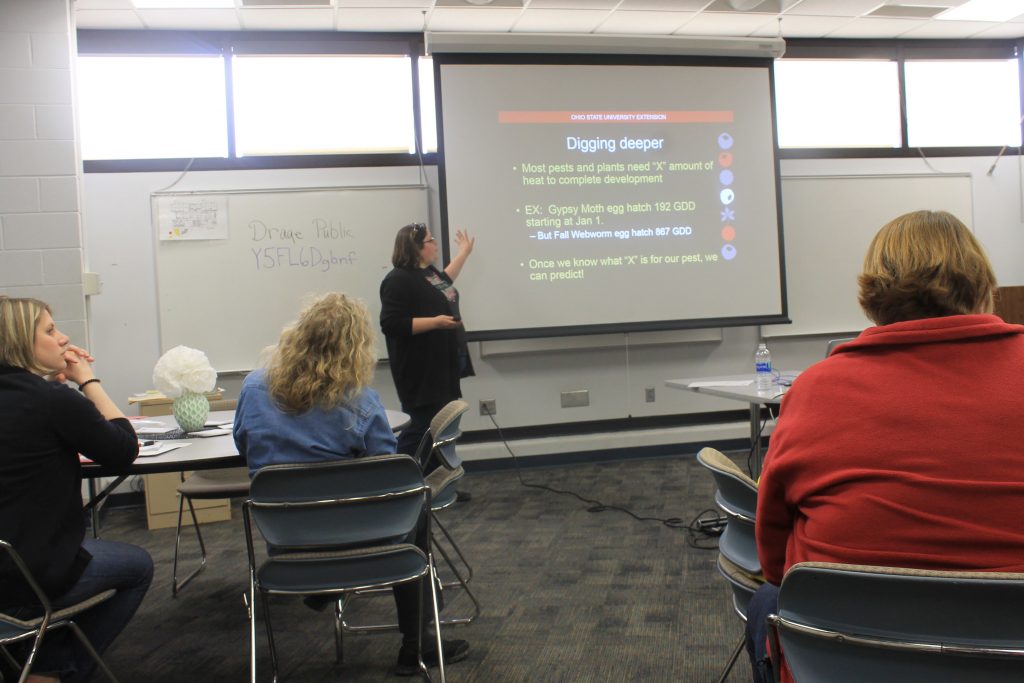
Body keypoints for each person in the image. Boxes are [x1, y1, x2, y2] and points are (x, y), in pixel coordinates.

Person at [745, 210, 1024, 683]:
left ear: (873, 292)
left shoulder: (815, 391)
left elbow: (774, 562)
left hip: (855, 661)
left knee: (765, 604)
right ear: (981, 282)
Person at [232, 292, 469, 676]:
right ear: (356, 348)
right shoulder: (362, 403)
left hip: (286, 538)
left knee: (401, 507)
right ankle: (418, 643)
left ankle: (326, 586)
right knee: (413, 506)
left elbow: (244, 444)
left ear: (298, 333)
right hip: (361, 540)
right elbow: (389, 476)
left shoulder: (254, 389)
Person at [0, 296, 153, 683]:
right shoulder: (52, 401)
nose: (64, 338)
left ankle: (21, 657)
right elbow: (123, 450)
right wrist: (87, 380)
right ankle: (52, 670)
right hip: (25, 574)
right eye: (50, 331)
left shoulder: (37, 396)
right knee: (137, 566)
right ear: (20, 342)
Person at [380, 223, 475, 482]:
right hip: (419, 371)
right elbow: (391, 323)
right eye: (431, 240)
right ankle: (401, 484)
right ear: (416, 247)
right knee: (420, 430)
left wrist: (464, 253)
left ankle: (435, 485)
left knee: (441, 429)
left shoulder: (429, 274)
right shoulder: (397, 279)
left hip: (443, 366)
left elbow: (445, 281)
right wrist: (436, 322)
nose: (435, 244)